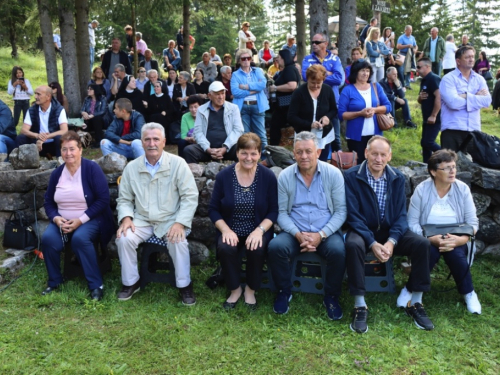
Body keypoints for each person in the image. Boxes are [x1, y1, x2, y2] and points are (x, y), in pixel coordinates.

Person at [344, 135, 434, 333]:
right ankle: (360, 304)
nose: (378, 159)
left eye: (383, 154)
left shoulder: (397, 177)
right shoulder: (351, 176)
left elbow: (401, 215)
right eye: (374, 154)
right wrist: (372, 242)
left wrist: (392, 241)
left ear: (389, 156)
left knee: (421, 244)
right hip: (362, 230)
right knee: (352, 244)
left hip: (389, 232)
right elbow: (353, 216)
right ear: (366, 153)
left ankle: (415, 302)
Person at [115, 123, 199, 304]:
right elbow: (124, 199)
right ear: (142, 143)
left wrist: (180, 223)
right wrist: (126, 218)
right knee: (124, 238)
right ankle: (131, 282)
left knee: (178, 239)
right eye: (147, 139)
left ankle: (184, 285)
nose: (151, 143)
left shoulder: (178, 164)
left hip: (171, 218)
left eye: (156, 139)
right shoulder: (132, 167)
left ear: (164, 142)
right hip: (142, 219)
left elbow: (190, 197)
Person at [267, 131, 346, 318]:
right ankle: (283, 292)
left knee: (338, 251)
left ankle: (332, 296)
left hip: (325, 231)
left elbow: (341, 211)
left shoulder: (333, 174)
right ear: (293, 153)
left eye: (308, 151)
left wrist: (321, 235)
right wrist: (298, 234)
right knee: (275, 247)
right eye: (299, 152)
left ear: (318, 152)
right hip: (295, 231)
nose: (304, 156)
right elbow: (282, 213)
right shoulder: (285, 176)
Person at [41, 131, 115, 301]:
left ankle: (96, 285)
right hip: (63, 221)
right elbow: (49, 203)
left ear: (80, 149)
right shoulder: (57, 174)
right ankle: (54, 281)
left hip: (91, 218)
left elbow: (103, 200)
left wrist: (80, 220)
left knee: (80, 239)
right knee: (48, 240)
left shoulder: (92, 169)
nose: (68, 153)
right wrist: (56, 218)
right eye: (64, 149)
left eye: (72, 149)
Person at [209, 133, 278, 310]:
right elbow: (213, 209)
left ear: (260, 154)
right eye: (244, 153)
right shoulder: (224, 176)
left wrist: (259, 231)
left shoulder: (268, 176)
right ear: (237, 153)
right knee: (225, 247)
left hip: (257, 228)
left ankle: (250, 290)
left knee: (256, 247)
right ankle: (234, 290)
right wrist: (225, 230)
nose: (249, 158)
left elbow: (273, 211)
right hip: (231, 228)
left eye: (253, 153)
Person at [407, 149, 481, 314]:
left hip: (456, 237)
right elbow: (411, 222)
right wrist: (430, 239)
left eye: (454, 167)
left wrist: (460, 240)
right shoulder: (422, 189)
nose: (452, 171)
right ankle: (410, 290)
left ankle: (469, 293)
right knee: (428, 252)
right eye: (446, 168)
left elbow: (473, 223)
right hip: (428, 237)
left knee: (456, 254)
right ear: (433, 172)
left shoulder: (462, 189)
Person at [337, 60, 391, 164]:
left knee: (375, 162)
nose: (365, 73)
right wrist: (359, 113)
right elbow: (341, 114)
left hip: (375, 135)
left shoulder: (376, 87)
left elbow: (388, 106)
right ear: (355, 72)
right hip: (355, 136)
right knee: (359, 164)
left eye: (367, 71)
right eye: (362, 70)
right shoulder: (347, 90)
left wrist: (374, 110)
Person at [439, 46, 491, 151]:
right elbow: (453, 103)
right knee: (449, 165)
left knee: (472, 167)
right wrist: (476, 97)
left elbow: (487, 101)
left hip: (474, 131)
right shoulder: (448, 79)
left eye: (472, 56)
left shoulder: (479, 79)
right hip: (452, 130)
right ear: (458, 61)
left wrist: (465, 95)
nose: (471, 59)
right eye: (467, 57)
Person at [302, 33, 344, 152]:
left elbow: (338, 79)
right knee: (313, 136)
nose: (314, 45)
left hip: (331, 103)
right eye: (312, 42)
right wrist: (327, 73)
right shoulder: (307, 59)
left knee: (335, 135)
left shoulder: (335, 58)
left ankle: (337, 161)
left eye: (317, 42)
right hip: (312, 102)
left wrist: (317, 75)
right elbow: (306, 77)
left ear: (325, 44)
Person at [183, 81, 243, 163]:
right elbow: (198, 132)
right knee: (188, 150)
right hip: (207, 149)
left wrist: (225, 148)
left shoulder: (233, 108)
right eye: (217, 94)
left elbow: (238, 130)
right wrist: (208, 149)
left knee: (243, 149)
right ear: (209, 96)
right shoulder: (201, 109)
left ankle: (238, 174)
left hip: (228, 148)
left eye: (223, 93)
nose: (221, 97)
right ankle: (196, 174)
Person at [287, 65, 336, 161]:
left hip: (324, 135)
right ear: (307, 79)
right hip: (304, 134)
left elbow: (334, 110)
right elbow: (291, 117)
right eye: (313, 83)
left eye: (319, 83)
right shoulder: (299, 92)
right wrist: (310, 124)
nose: (316, 86)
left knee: (322, 162)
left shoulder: (328, 90)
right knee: (305, 161)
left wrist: (327, 117)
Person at [231, 49, 269, 156]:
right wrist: (253, 90)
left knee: (261, 133)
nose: (246, 60)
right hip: (242, 107)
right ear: (239, 61)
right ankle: (246, 156)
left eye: (248, 58)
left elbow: (262, 85)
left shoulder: (258, 71)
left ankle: (266, 157)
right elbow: (235, 92)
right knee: (245, 135)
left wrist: (245, 87)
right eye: (243, 58)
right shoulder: (235, 74)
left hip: (258, 106)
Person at [17, 85, 68, 157]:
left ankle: (61, 164)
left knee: (59, 138)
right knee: (21, 138)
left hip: (52, 143)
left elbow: (64, 130)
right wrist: (37, 136)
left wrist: (46, 137)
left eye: (38, 94)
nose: (35, 97)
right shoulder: (32, 110)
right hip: (36, 143)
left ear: (48, 96)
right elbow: (24, 130)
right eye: (35, 94)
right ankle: (24, 164)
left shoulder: (59, 109)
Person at [268, 49, 300, 145]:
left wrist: (275, 88)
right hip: (284, 105)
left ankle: (274, 149)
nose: (277, 59)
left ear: (284, 58)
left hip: (287, 106)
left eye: (279, 57)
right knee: (274, 126)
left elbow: (292, 86)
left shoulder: (289, 69)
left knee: (274, 126)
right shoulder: (288, 69)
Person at [416, 58, 442, 162]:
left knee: (428, 142)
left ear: (427, 67)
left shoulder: (433, 78)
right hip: (426, 116)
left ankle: (448, 156)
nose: (417, 70)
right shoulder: (424, 80)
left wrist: (434, 115)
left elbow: (439, 97)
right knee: (424, 143)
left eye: (419, 67)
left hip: (435, 117)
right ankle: (426, 165)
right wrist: (419, 98)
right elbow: (420, 99)